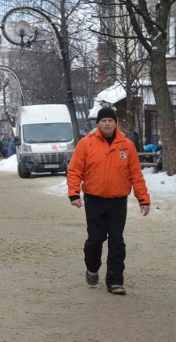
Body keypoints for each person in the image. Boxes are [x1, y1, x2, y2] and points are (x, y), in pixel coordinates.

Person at [67, 107, 150, 296]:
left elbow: (136, 175)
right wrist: (74, 193)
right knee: (95, 240)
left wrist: (143, 199)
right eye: (103, 120)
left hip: (117, 201)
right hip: (94, 200)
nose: (107, 123)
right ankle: (92, 267)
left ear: (115, 123)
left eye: (110, 120)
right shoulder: (86, 144)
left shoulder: (126, 145)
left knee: (116, 241)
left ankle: (115, 280)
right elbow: (74, 170)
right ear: (98, 123)